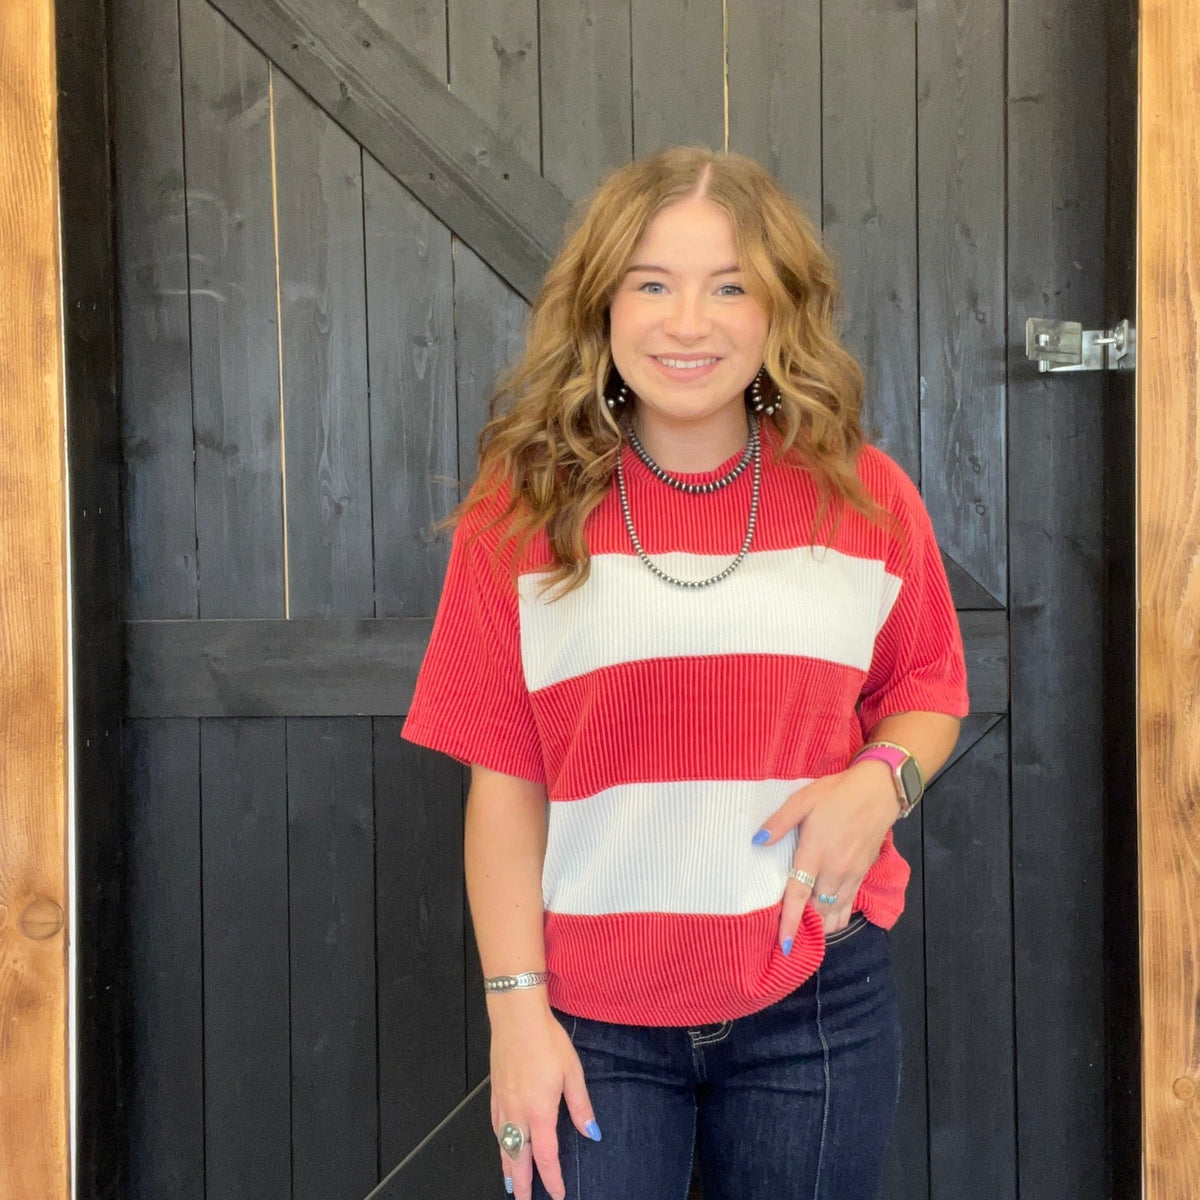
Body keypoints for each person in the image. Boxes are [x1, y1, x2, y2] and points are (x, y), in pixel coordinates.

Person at [401, 145, 968, 1200]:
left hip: (815, 1008)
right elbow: (504, 782)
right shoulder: (519, 510)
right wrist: (516, 1015)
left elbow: (929, 687)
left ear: (778, 310)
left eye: (729, 287)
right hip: (591, 1022)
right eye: (652, 284)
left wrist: (882, 782)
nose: (688, 323)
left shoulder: (865, 495)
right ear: (603, 305)